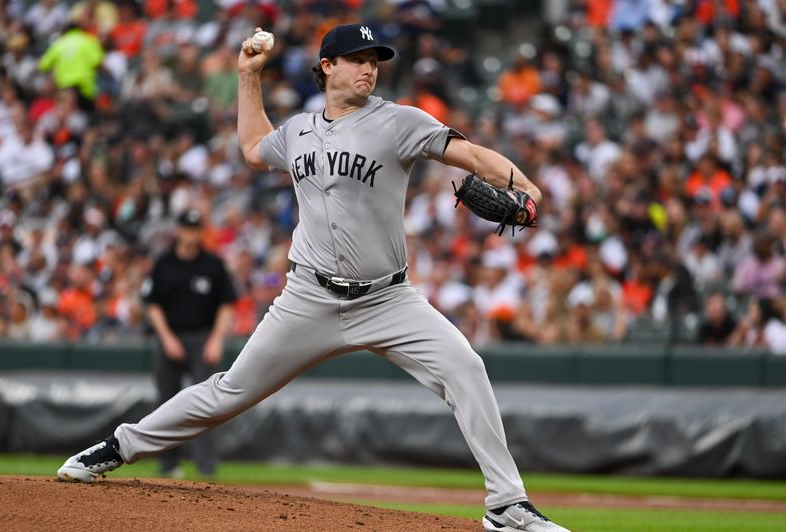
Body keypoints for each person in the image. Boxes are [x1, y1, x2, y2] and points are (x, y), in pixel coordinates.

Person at [57, 24, 569, 532]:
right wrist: (247, 76)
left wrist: (526, 187)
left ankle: (506, 504)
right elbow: (255, 148)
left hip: (388, 299)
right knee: (229, 390)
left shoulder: (399, 122)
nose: (370, 67)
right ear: (328, 66)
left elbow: (472, 156)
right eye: (358, 58)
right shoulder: (300, 129)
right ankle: (119, 446)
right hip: (308, 298)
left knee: (466, 368)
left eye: (375, 59)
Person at [142, 207, 237, 477]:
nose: (191, 234)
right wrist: (167, 338)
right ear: (179, 230)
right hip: (170, 336)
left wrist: (216, 340)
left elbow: (227, 304)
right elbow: (152, 305)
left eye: (196, 229)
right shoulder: (164, 263)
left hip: (202, 337)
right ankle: (168, 465)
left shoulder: (212, 264)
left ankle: (206, 468)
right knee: (166, 403)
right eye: (187, 228)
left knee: (208, 404)